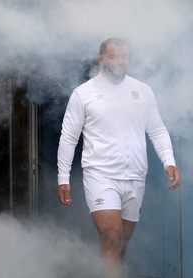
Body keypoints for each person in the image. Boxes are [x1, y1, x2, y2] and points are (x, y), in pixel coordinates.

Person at [56, 38, 181, 278]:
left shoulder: (142, 90)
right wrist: (63, 178)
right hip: (100, 175)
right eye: (114, 56)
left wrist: (169, 161)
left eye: (125, 56)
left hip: (135, 176)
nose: (120, 61)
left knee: (120, 246)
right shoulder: (83, 93)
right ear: (101, 58)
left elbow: (157, 130)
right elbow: (68, 138)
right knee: (112, 236)